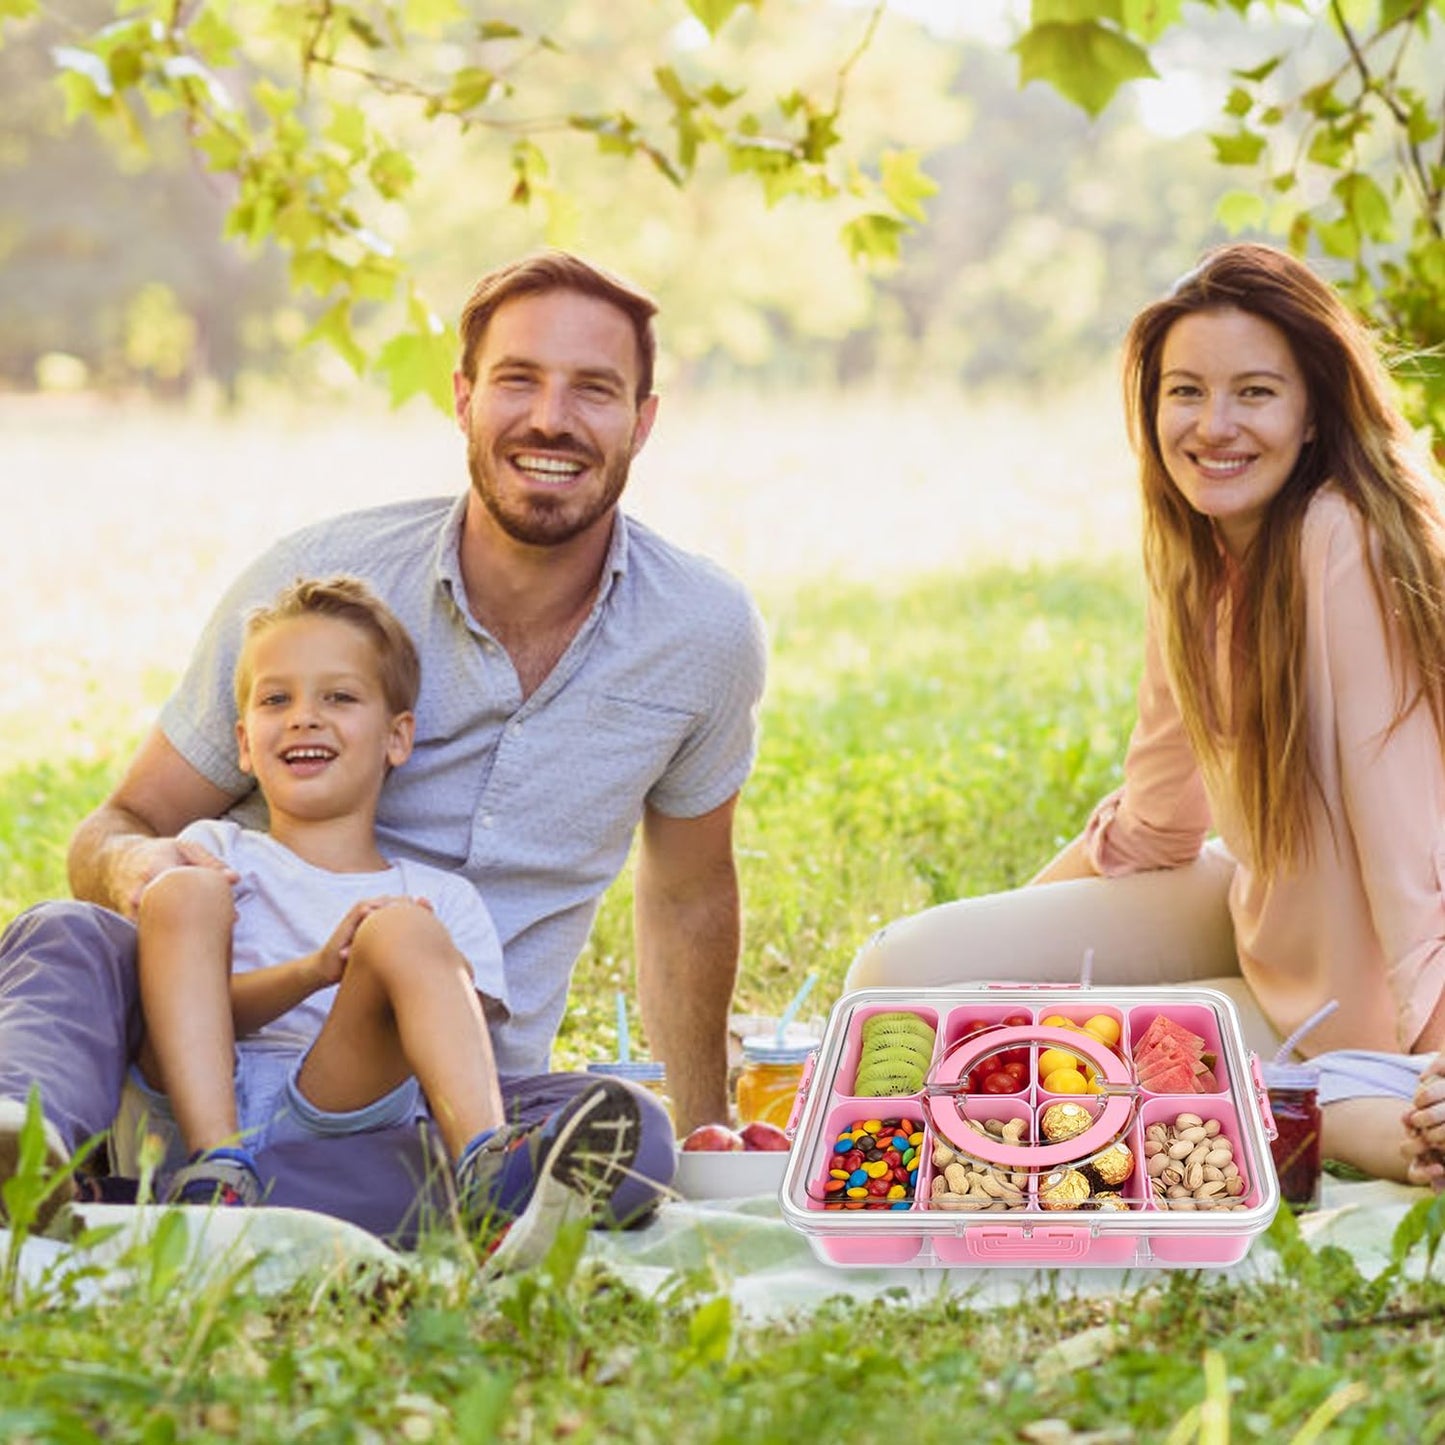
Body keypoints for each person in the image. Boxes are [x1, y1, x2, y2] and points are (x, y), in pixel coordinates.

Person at [0, 250, 767, 1241]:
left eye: (593, 389)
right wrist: (152, 871)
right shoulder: (319, 584)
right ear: (463, 398)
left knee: (634, 1145)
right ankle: (33, 1147)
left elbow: (689, 891)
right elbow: (123, 821)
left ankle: (185, 1201)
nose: (550, 419)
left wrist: (705, 1125)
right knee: (66, 932)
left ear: (642, 420)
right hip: (197, 1053)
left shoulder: (699, 632)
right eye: (517, 380)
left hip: (431, 1101)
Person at [847, 241, 1445, 1186]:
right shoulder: (1197, 559)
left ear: (1312, 414)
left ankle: (1363, 1106)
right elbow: (1155, 825)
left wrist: (1433, 1049)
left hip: (1375, 1008)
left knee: (1122, 1096)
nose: (1213, 425)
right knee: (896, 989)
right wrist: (1013, 935)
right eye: (1184, 391)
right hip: (1260, 930)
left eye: (1254, 391)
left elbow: (1410, 846)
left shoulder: (1342, 540)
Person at [119, 574, 643, 1270]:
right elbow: (173, 1014)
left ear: (398, 737)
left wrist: (367, 956)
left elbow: (444, 1048)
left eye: (338, 696)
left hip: (343, 1104)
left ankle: (489, 1171)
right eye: (278, 699)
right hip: (200, 1096)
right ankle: (218, 1175)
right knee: (182, 891)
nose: (304, 716)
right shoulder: (214, 853)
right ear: (245, 742)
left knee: (402, 928)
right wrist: (311, 972)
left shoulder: (440, 897)